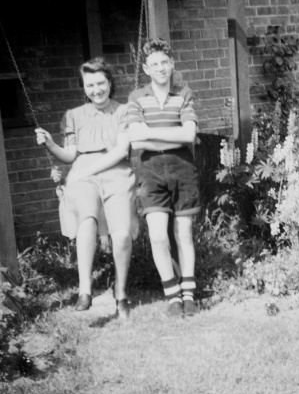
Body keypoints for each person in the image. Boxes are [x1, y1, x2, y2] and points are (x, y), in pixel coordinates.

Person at [35, 57, 138, 317]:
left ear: (110, 83)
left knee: (122, 234)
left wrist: (88, 170)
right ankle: (85, 289)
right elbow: (70, 155)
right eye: (90, 85)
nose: (96, 90)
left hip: (115, 171)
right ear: (84, 87)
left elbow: (122, 150)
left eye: (100, 83)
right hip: (83, 176)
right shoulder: (73, 116)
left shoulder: (123, 111)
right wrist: (49, 143)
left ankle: (121, 293)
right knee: (88, 218)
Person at [127, 38, 200, 317]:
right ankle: (172, 296)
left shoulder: (184, 93)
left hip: (183, 168)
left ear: (172, 64)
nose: (160, 68)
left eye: (164, 62)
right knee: (158, 236)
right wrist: (168, 135)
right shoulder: (136, 97)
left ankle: (189, 294)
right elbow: (136, 143)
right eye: (154, 64)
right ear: (146, 69)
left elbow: (189, 134)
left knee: (184, 234)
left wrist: (150, 133)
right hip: (150, 170)